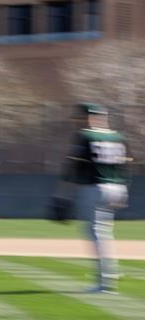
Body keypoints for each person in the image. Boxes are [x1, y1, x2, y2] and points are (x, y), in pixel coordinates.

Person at [50, 103, 130, 293]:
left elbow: (72, 167)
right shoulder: (118, 136)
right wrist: (123, 189)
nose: (77, 121)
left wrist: (61, 194)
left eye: (80, 117)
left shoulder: (85, 135)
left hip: (94, 187)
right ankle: (109, 274)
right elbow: (124, 165)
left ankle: (105, 282)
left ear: (90, 117)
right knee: (105, 233)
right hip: (117, 186)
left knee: (94, 233)